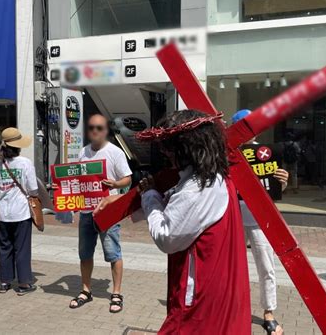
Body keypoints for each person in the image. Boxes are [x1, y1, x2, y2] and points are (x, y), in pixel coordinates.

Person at [98, 110, 251, 333]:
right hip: (218, 286)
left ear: (187, 147)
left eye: (170, 148)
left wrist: (149, 196)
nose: (166, 153)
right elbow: (174, 203)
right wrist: (127, 199)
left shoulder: (198, 186)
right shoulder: (212, 177)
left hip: (200, 294)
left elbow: (167, 237)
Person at [69, 114, 132, 313]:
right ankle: (86, 290)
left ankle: (116, 293)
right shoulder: (83, 152)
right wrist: (62, 187)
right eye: (91, 127)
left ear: (105, 130)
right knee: (84, 253)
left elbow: (128, 179)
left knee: (113, 252)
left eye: (99, 127)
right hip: (87, 211)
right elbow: (77, 179)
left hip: (108, 212)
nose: (95, 131)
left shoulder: (115, 152)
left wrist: (115, 183)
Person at [232, 109, 288, 335]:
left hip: (259, 218)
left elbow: (272, 188)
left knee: (266, 266)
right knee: (231, 268)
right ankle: (232, 309)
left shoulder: (267, 153)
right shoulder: (227, 155)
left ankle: (269, 312)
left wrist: (281, 183)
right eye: (244, 125)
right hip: (232, 217)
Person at [0, 127, 37, 295]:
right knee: (22, 248)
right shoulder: (25, 163)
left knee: (5, 247)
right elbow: (32, 189)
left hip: (3, 212)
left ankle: (4, 281)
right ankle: (24, 283)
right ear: (18, 146)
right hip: (21, 212)